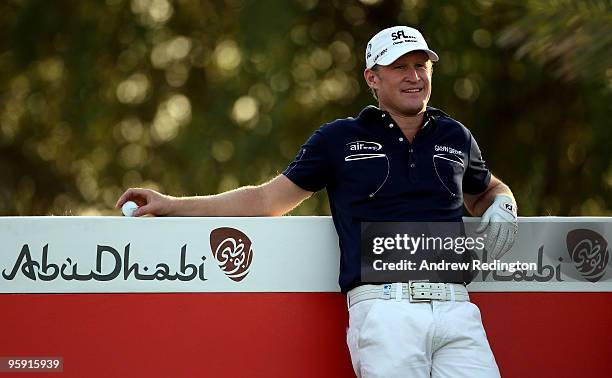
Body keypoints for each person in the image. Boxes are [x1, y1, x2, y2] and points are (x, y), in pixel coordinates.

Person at [116, 26, 518, 378]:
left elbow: (485, 191)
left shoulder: (455, 135)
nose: (413, 77)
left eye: (421, 66)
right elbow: (265, 200)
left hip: (457, 309)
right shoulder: (337, 138)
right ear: (372, 78)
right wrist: (171, 203)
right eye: (399, 67)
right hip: (385, 309)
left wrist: (504, 202)